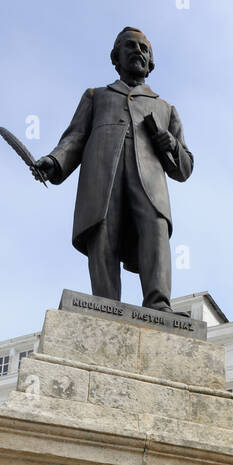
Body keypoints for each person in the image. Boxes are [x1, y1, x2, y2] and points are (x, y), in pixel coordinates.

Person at [32, 27, 193, 310]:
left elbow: (185, 168)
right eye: (130, 46)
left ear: (151, 63)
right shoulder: (96, 96)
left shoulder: (166, 109)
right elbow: (75, 138)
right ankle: (105, 305)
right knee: (102, 230)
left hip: (149, 185)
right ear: (115, 56)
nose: (138, 52)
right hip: (102, 177)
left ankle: (158, 304)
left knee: (154, 231)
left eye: (144, 49)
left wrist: (171, 144)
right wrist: (55, 161)